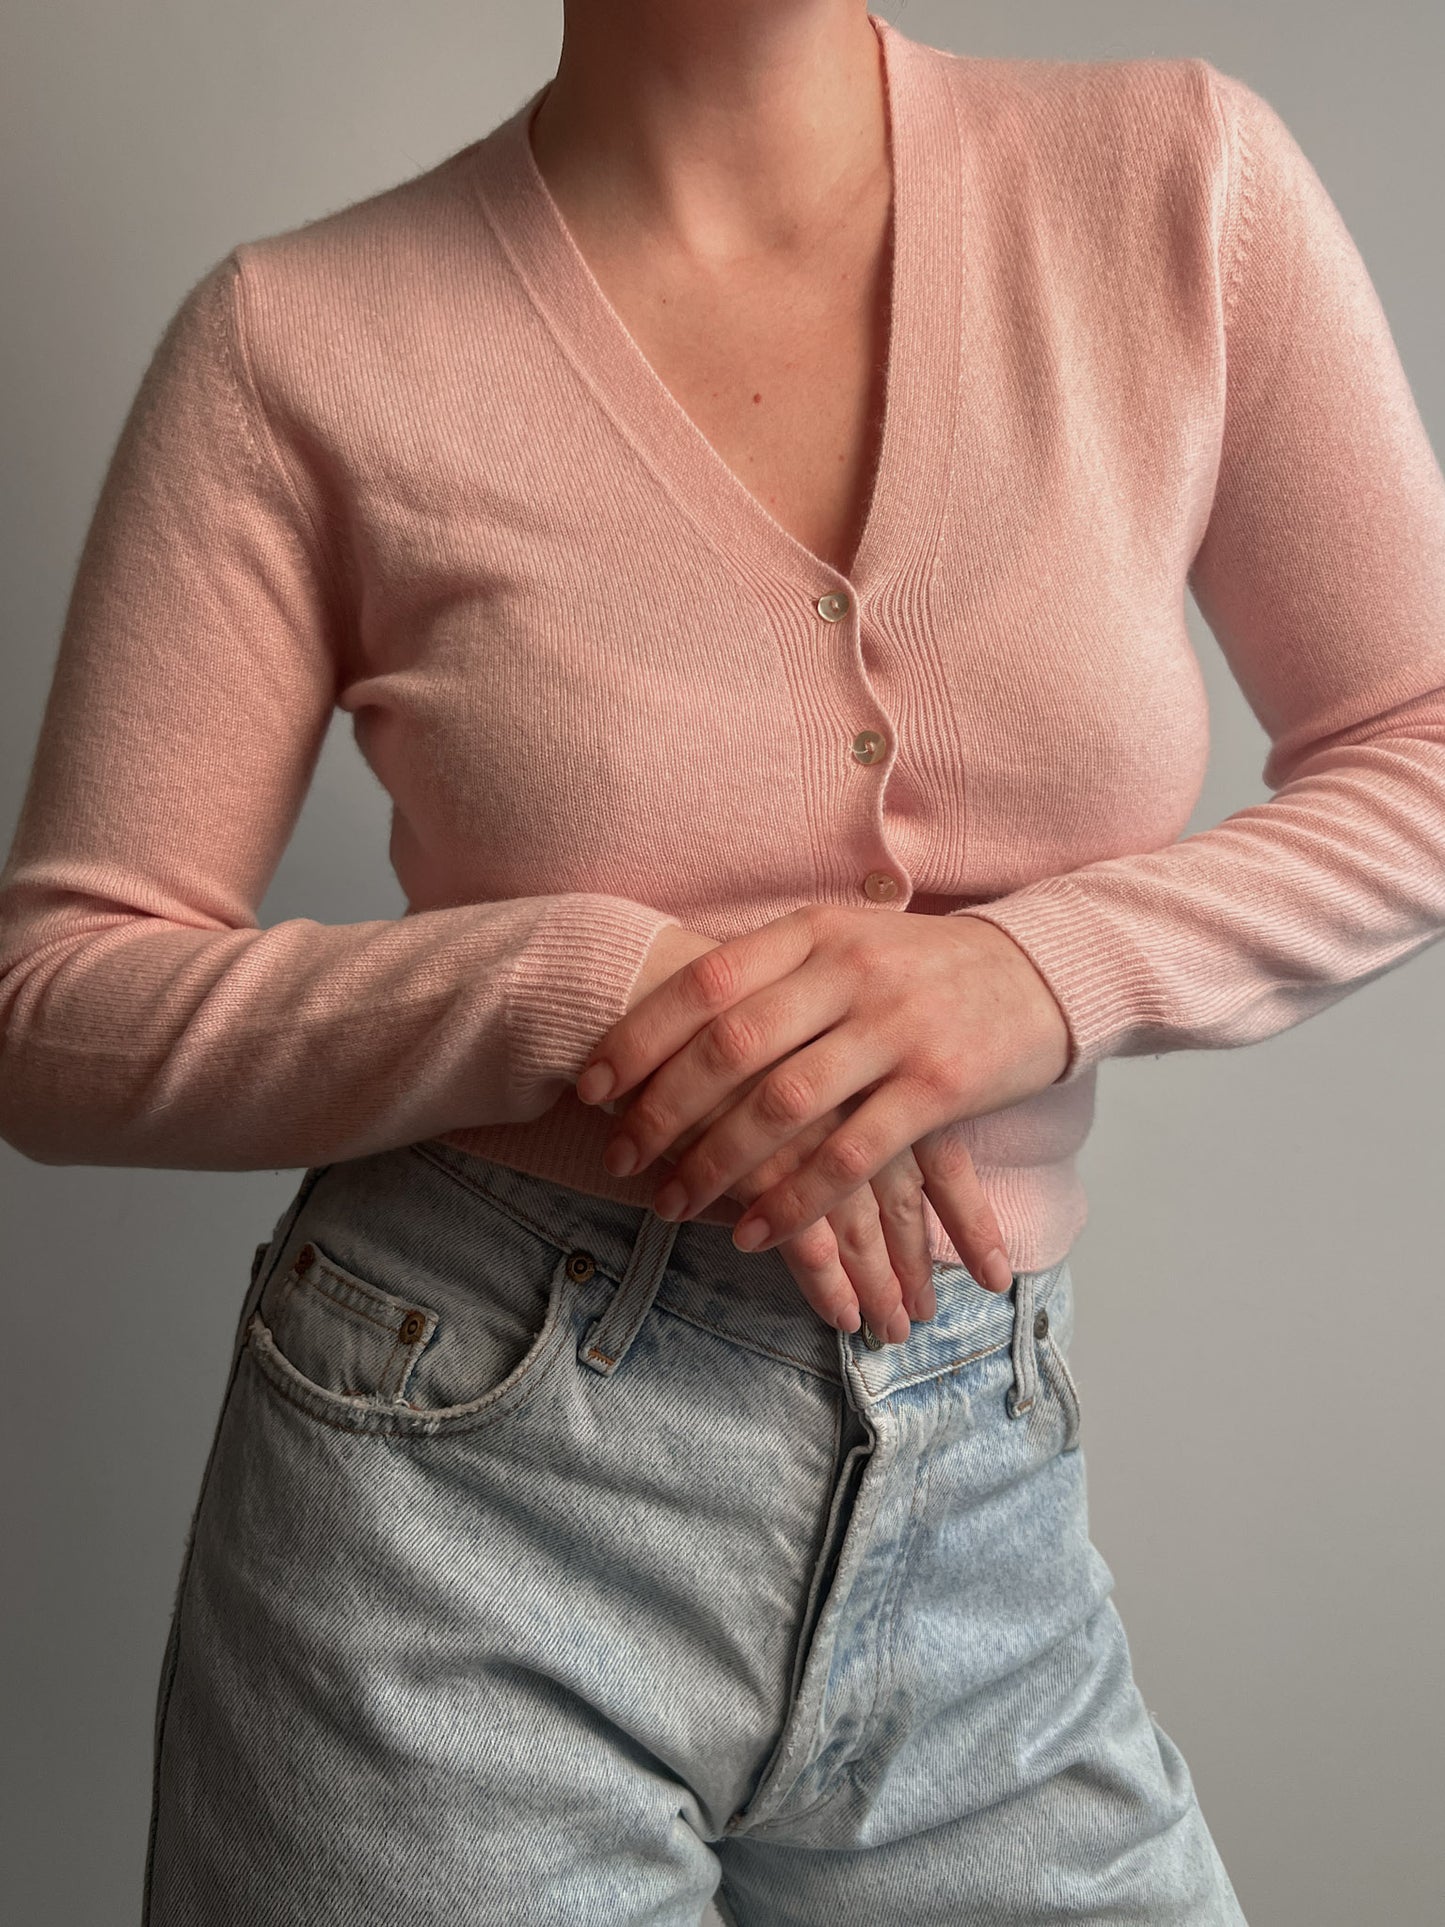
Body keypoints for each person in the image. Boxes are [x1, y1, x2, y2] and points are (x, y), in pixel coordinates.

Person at [2, 1, 1443, 1919]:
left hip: (976, 1497)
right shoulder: (300, 343)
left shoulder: (1174, 183)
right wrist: (583, 996)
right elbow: (56, 1010)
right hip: (451, 1505)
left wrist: (1035, 970)